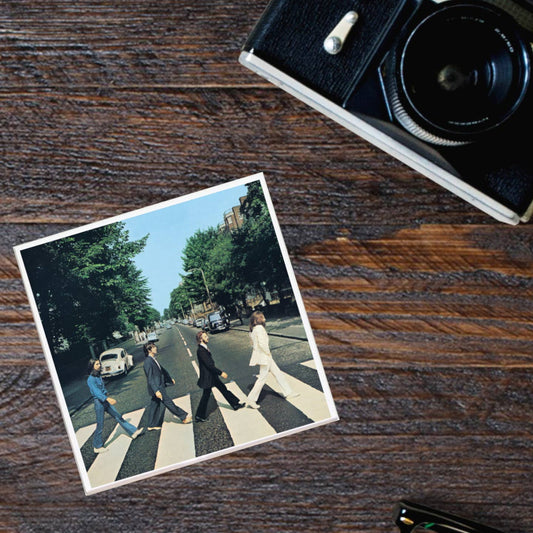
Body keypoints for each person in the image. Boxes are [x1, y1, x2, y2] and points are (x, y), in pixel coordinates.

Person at [244, 311, 299, 409]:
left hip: (264, 356)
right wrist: (268, 352)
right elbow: (262, 344)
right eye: (262, 317)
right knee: (262, 378)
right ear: (258, 320)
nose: (264, 318)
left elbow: (253, 344)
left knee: (277, 373)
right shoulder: (260, 328)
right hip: (265, 356)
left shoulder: (252, 330)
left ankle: (288, 392)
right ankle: (251, 399)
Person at [87, 358, 143, 454]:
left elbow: (101, 388)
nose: (99, 365)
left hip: (104, 399)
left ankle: (133, 432)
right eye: (97, 364)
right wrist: (107, 398)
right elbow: (96, 392)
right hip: (99, 402)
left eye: (99, 364)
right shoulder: (90, 379)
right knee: (100, 424)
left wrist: (106, 393)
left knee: (118, 416)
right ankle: (97, 446)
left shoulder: (98, 375)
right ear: (92, 366)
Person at [195, 330, 244, 422]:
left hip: (211, 376)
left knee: (223, 388)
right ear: (201, 339)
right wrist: (221, 373)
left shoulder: (204, 348)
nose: (207, 337)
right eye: (205, 337)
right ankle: (199, 415)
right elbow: (209, 365)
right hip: (208, 377)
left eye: (207, 336)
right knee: (206, 396)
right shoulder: (201, 350)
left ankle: (235, 404)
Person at [143, 342, 192, 430]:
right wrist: (156, 391)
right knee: (168, 402)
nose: (156, 348)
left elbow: (161, 371)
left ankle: (151, 425)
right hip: (157, 388)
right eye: (153, 347)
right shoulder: (148, 362)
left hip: (159, 386)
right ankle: (183, 417)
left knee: (154, 405)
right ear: (149, 350)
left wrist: (169, 379)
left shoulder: (153, 359)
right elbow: (150, 378)